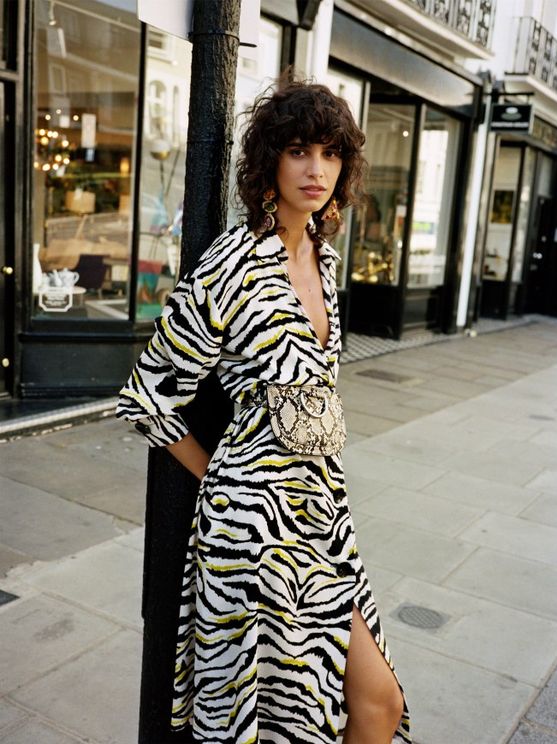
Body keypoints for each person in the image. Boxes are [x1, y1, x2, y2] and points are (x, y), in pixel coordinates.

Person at [116, 80, 411, 744]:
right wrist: (223, 476)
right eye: (299, 151)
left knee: (374, 703)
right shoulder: (232, 263)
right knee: (302, 717)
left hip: (323, 515)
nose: (315, 170)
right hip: (252, 538)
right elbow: (147, 394)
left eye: (331, 154)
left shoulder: (324, 260)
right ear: (269, 163)